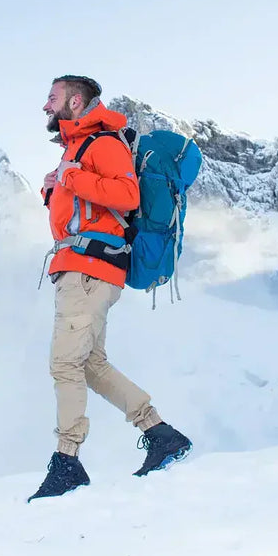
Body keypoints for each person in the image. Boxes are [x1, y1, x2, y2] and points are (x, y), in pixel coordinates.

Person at [29, 75, 192, 502]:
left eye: (53, 98)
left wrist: (72, 177)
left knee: (64, 364)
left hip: (89, 270)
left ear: (76, 101)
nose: (46, 107)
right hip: (81, 267)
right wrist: (56, 188)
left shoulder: (102, 142)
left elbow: (126, 196)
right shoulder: (77, 150)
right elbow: (85, 211)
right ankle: (160, 434)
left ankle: (67, 462)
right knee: (90, 365)